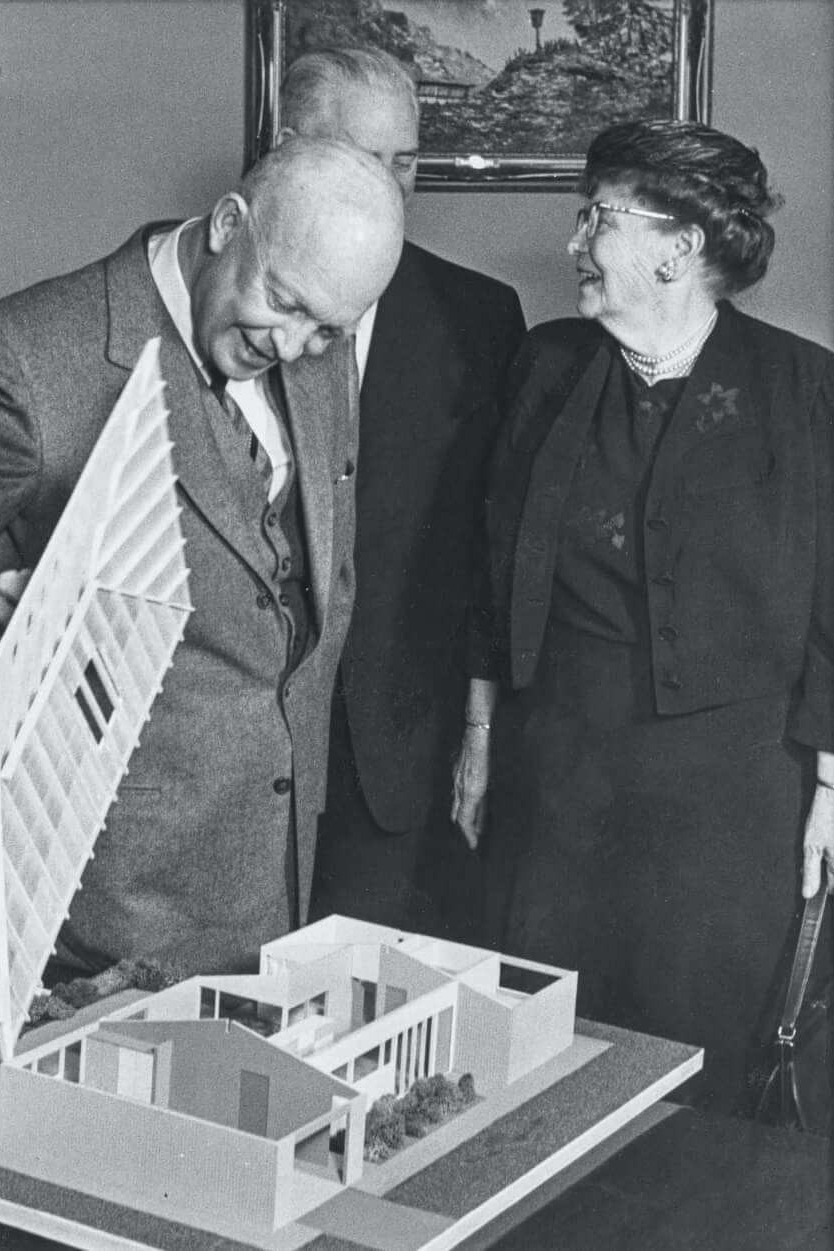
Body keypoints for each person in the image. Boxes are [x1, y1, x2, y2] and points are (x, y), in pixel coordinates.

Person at [0, 138, 404, 977]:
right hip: (106, 913)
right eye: (286, 305)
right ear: (228, 225)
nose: (298, 347)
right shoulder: (30, 362)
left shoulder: (312, 341)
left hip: (282, 880)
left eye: (329, 330)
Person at [453, 119, 834, 1117]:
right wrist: (481, 732)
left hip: (733, 798)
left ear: (678, 247)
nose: (574, 242)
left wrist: (831, 783)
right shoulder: (545, 368)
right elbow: (490, 562)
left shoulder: (805, 389)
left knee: (697, 1059)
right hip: (561, 778)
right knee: (541, 1058)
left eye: (598, 219)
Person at [269, 47, 527, 939]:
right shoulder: (219, 299)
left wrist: (477, 731)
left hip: (387, 753)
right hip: (228, 749)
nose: (391, 184)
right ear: (286, 149)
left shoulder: (478, 319)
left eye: (406, 160)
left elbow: (486, 553)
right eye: (363, 157)